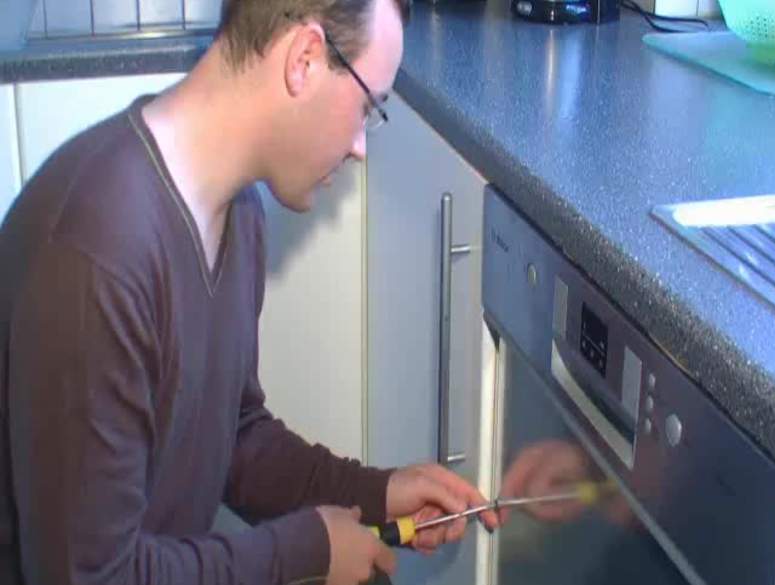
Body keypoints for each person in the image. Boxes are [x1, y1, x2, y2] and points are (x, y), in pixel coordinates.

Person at [0, 0, 499, 583]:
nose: (360, 147)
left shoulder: (239, 212)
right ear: (304, 58)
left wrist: (376, 493)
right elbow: (91, 576)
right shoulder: (97, 252)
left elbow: (232, 437)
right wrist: (305, 551)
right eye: (367, 107)